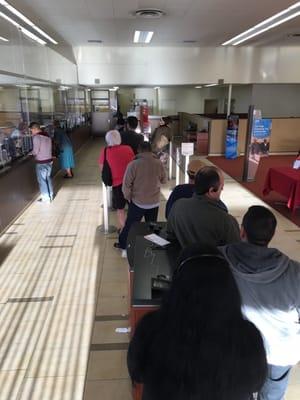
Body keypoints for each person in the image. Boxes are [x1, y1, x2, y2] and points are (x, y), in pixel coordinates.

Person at [127, 248, 267, 400]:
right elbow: (255, 382)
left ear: (177, 282)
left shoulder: (151, 327)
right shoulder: (247, 335)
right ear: (229, 286)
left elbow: (138, 372)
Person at [220, 205, 300, 400]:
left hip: (238, 349)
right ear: (271, 236)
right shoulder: (295, 272)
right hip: (280, 350)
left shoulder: (219, 259)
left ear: (242, 231)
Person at [167, 166, 240, 248]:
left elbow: (170, 236)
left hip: (182, 259)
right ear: (211, 191)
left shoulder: (178, 205)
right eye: (221, 187)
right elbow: (235, 252)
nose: (222, 189)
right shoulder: (227, 221)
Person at [115, 141, 166, 254]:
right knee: (151, 225)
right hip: (154, 202)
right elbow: (164, 180)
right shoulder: (158, 163)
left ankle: (124, 247)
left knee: (130, 226)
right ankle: (151, 248)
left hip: (138, 202)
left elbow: (126, 185)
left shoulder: (133, 164)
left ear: (138, 151)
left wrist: (129, 198)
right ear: (150, 150)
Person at [99, 130, 134, 230]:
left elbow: (102, 169)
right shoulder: (128, 148)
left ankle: (124, 229)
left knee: (120, 208)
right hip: (131, 182)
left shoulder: (105, 151)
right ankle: (132, 227)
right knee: (133, 206)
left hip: (117, 185)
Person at [29, 122, 53, 203]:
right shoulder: (47, 135)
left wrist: (30, 153)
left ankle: (46, 199)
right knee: (48, 178)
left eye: (31, 130)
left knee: (42, 181)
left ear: (35, 129)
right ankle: (51, 195)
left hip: (41, 162)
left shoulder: (37, 137)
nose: (31, 132)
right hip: (49, 161)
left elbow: (35, 151)